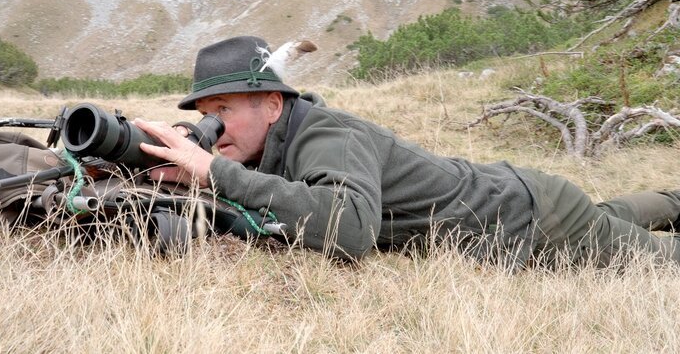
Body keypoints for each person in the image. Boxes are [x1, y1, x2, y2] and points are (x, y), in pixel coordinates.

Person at [134, 36, 680, 268]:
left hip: (533, 223)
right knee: (612, 218)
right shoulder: (277, 140)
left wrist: (217, 170)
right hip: (526, 190)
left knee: (649, 260)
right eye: (205, 111)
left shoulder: (328, 136)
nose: (211, 124)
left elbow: (350, 233)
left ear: (273, 106)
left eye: (224, 109)